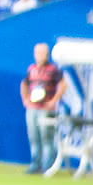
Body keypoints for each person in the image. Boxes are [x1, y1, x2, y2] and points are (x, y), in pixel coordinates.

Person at [22, 42, 65, 173]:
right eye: (38, 53)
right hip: (33, 107)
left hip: (46, 109)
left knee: (46, 136)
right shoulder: (31, 69)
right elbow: (24, 83)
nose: (41, 56)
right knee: (33, 136)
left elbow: (63, 84)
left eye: (43, 53)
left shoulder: (53, 69)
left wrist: (53, 101)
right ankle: (35, 163)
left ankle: (48, 165)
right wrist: (25, 99)